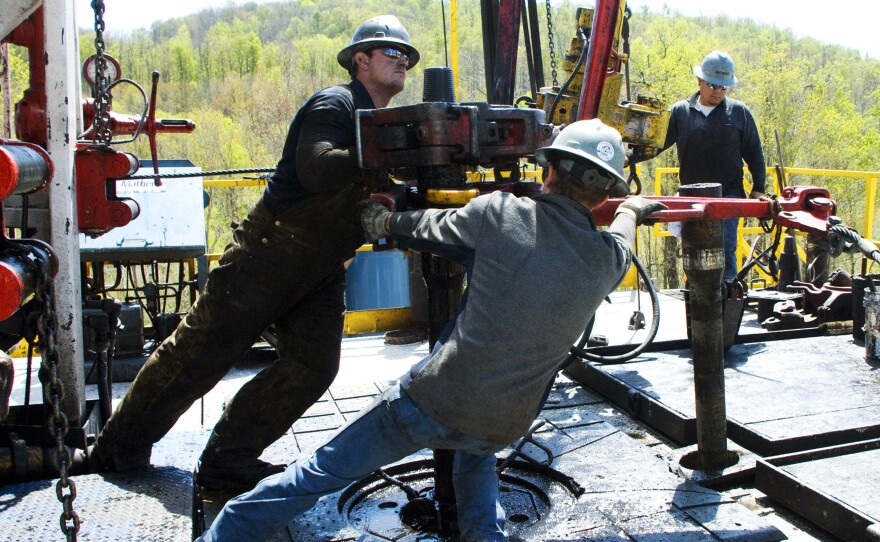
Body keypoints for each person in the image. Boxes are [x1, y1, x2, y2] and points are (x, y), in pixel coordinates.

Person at [196, 119, 667, 542]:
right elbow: (623, 235)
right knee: (475, 449)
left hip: (433, 402)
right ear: (605, 195)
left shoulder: (501, 213)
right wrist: (635, 210)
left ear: (548, 171)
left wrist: (382, 219)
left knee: (317, 475)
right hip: (505, 422)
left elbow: (425, 227)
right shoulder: (607, 260)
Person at [89, 15, 421, 492]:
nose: (402, 62)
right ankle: (116, 452)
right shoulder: (337, 103)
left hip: (320, 266)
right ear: (360, 61)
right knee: (198, 356)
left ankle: (229, 458)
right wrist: (388, 150)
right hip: (268, 254)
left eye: (406, 56)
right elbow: (316, 169)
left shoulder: (377, 124)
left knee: (313, 365)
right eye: (391, 53)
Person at [661, 50, 766, 280]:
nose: (718, 91)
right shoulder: (681, 112)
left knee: (726, 250)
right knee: (694, 252)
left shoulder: (738, 113)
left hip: (728, 197)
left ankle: (728, 300)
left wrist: (759, 187)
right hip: (692, 197)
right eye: (712, 85)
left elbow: (754, 151)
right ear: (699, 81)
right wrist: (628, 157)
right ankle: (698, 300)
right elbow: (658, 143)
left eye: (723, 87)